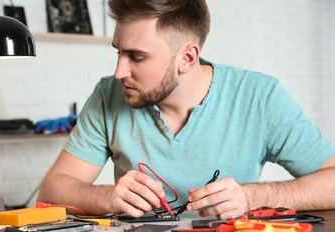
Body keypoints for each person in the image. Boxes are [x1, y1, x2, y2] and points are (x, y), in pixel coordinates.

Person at [37, 0, 335, 220]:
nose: (119, 71)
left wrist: (251, 196)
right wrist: (108, 197)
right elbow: (51, 191)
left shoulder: (260, 97)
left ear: (187, 57)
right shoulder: (107, 95)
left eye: (136, 57)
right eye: (119, 52)